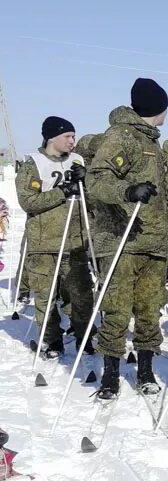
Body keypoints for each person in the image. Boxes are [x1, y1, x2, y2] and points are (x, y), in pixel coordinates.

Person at [86, 78, 168, 399]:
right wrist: (127, 191)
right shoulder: (121, 137)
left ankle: (145, 369)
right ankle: (111, 374)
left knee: (149, 310)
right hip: (122, 242)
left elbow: (158, 192)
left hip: (154, 244)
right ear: (158, 108)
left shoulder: (152, 142)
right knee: (116, 310)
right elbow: (97, 180)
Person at [16, 116, 95, 358]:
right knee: (46, 296)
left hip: (75, 241)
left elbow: (93, 199)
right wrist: (61, 192)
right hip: (44, 243)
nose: (73, 141)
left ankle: (84, 336)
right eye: (67, 137)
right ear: (52, 138)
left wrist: (86, 182)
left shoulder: (78, 161)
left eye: (73, 136)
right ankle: (52, 340)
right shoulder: (34, 165)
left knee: (82, 294)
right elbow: (28, 201)